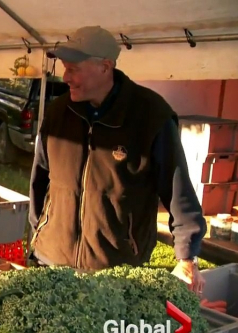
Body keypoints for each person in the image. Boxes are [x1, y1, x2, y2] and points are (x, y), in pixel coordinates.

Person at [28, 26, 206, 293]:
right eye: (64, 68)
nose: (65, 77)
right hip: (51, 260)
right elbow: (40, 178)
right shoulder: (57, 112)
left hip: (116, 270)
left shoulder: (151, 116)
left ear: (105, 66)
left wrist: (186, 257)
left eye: (74, 69)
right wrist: (39, 231)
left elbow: (178, 190)